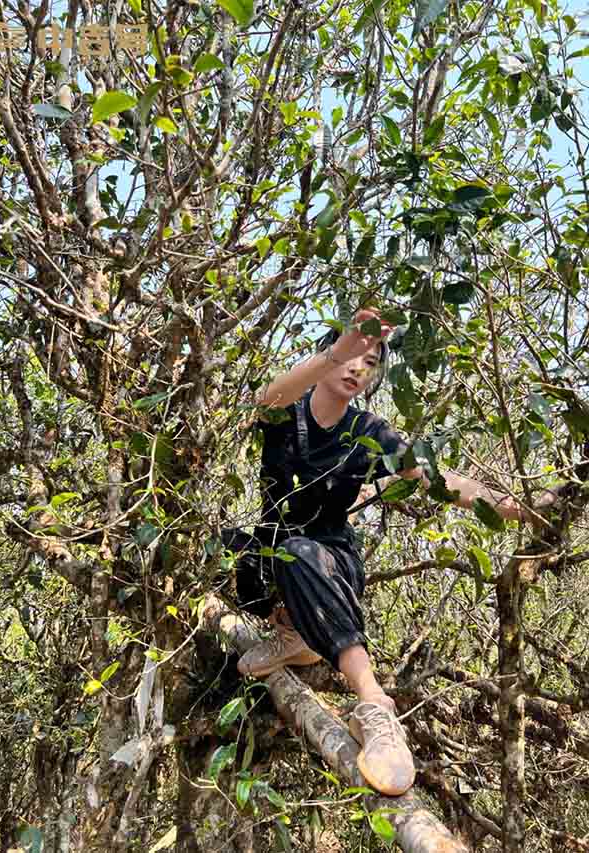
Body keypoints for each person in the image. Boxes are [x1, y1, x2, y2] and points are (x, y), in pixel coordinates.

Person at [222, 307, 540, 798]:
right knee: (224, 549)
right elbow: (265, 399)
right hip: (274, 550)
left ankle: (374, 707)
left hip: (329, 559)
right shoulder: (288, 414)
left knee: (301, 552)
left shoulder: (370, 432)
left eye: (369, 363)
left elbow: (437, 478)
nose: (357, 367)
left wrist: (518, 506)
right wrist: (336, 351)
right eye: (353, 355)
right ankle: (291, 630)